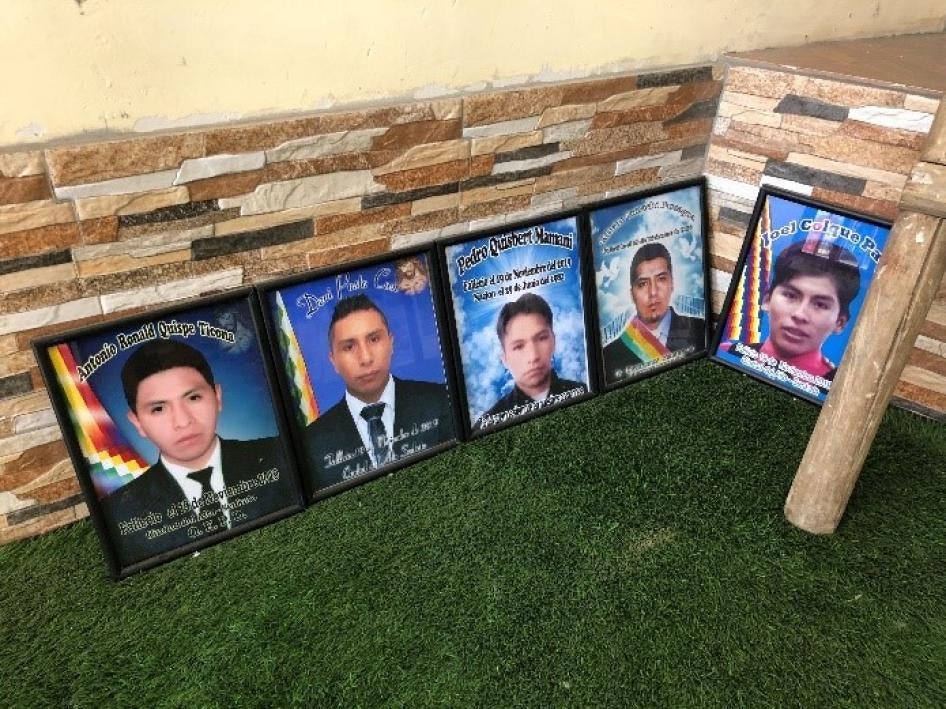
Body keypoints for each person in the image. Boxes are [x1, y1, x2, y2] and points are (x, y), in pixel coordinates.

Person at [99, 339, 291, 566]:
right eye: (158, 409)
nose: (182, 421)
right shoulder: (120, 511)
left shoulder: (280, 455)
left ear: (217, 397)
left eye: (193, 398)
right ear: (137, 422)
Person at [303, 294, 454, 490]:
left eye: (374, 339)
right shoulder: (312, 442)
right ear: (334, 361)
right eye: (349, 347)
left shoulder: (441, 400)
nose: (365, 358)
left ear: (391, 343)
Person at [728, 239, 861, 386]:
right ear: (767, 300)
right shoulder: (728, 353)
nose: (800, 314)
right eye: (790, 295)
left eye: (820, 304)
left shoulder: (840, 389)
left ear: (840, 323)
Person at [475, 292, 587, 430]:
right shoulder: (488, 425)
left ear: (554, 340)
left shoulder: (584, 392)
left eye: (541, 338)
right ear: (504, 359)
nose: (533, 356)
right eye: (518, 346)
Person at [602, 242, 704, 384]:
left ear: (672, 283)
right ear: (632, 294)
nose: (653, 292)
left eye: (661, 279)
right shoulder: (609, 355)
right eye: (643, 284)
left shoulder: (700, 329)